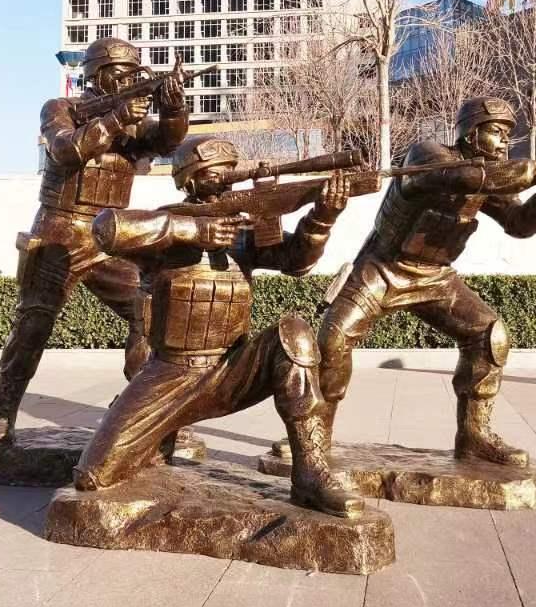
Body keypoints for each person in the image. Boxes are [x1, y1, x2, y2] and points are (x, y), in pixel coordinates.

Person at [73, 136, 364, 519]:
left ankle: (310, 471)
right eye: (215, 174)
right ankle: (155, 440)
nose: (227, 180)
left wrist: (321, 218)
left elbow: (295, 262)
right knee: (94, 476)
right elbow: (106, 228)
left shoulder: (244, 232)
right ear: (189, 180)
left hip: (229, 370)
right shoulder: (164, 229)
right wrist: (192, 231)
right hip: (169, 376)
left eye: (230, 172)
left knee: (294, 334)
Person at [313, 96, 536, 467]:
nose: (504, 142)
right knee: (333, 339)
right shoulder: (427, 155)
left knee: (489, 335)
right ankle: (312, 437)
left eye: (508, 135)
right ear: (471, 134)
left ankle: (474, 436)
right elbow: (464, 177)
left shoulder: (494, 176)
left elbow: (519, 224)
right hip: (383, 267)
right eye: (496, 131)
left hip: (436, 277)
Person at [0, 37, 188, 446]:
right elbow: (65, 150)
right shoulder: (60, 108)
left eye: (135, 74)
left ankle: (140, 411)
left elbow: (168, 142)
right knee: (33, 325)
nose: (130, 80)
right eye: (122, 73)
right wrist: (114, 119)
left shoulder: (134, 124)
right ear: (98, 74)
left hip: (111, 234)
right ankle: (4, 415)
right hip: (59, 231)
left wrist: (174, 109)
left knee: (150, 311)